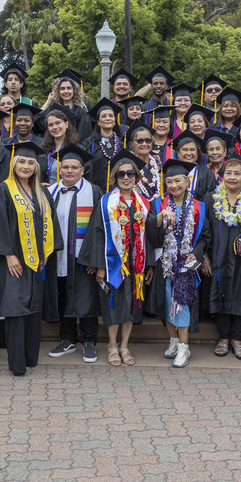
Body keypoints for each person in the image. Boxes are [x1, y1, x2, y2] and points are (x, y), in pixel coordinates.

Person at [0, 141, 60, 376]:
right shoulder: (4, 189)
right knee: (15, 309)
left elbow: (51, 223)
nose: (26, 166)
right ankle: (16, 363)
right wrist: (9, 254)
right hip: (13, 261)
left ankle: (31, 357)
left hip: (36, 260)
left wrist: (46, 253)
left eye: (30, 162)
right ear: (13, 164)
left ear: (36, 166)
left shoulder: (42, 192)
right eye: (21, 161)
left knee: (33, 308)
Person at [78, 149, 156, 366]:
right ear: (115, 178)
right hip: (113, 263)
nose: (126, 177)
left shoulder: (144, 203)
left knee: (131, 305)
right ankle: (112, 345)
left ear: (137, 177)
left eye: (130, 173)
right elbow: (96, 233)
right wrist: (100, 266)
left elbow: (148, 235)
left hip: (136, 264)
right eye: (121, 174)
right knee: (113, 304)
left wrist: (149, 265)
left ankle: (124, 345)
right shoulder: (105, 202)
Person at [148, 159, 211, 368]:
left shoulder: (198, 206)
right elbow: (149, 232)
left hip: (185, 265)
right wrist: (159, 217)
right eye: (169, 182)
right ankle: (173, 340)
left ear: (187, 181)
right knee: (166, 305)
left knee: (182, 305)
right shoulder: (158, 204)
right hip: (164, 263)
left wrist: (197, 252)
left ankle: (184, 346)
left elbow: (204, 236)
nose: (173, 185)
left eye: (177, 181)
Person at [46, 145, 102, 363]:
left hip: (82, 257)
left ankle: (89, 341)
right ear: (60, 169)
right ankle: (67, 339)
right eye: (65, 167)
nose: (69, 171)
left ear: (82, 170)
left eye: (74, 167)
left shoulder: (94, 191)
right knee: (63, 296)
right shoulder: (50, 191)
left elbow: (100, 228)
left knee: (86, 297)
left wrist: (94, 258)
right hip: (58, 256)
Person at [201, 155, 241, 361]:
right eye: (228, 173)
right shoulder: (211, 198)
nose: (232, 177)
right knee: (220, 292)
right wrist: (204, 255)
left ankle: (238, 339)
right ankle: (223, 338)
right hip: (217, 257)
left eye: (237, 173)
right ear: (222, 176)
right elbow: (203, 230)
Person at [81, 98, 124, 191]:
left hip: (118, 191)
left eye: (111, 116)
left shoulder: (122, 144)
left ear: (115, 120)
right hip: (95, 191)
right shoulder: (89, 144)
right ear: (98, 121)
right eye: (104, 116)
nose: (108, 118)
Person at [128, 122, 162, 200]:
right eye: (139, 141)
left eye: (148, 140)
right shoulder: (127, 165)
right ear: (133, 144)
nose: (144, 144)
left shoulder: (158, 165)